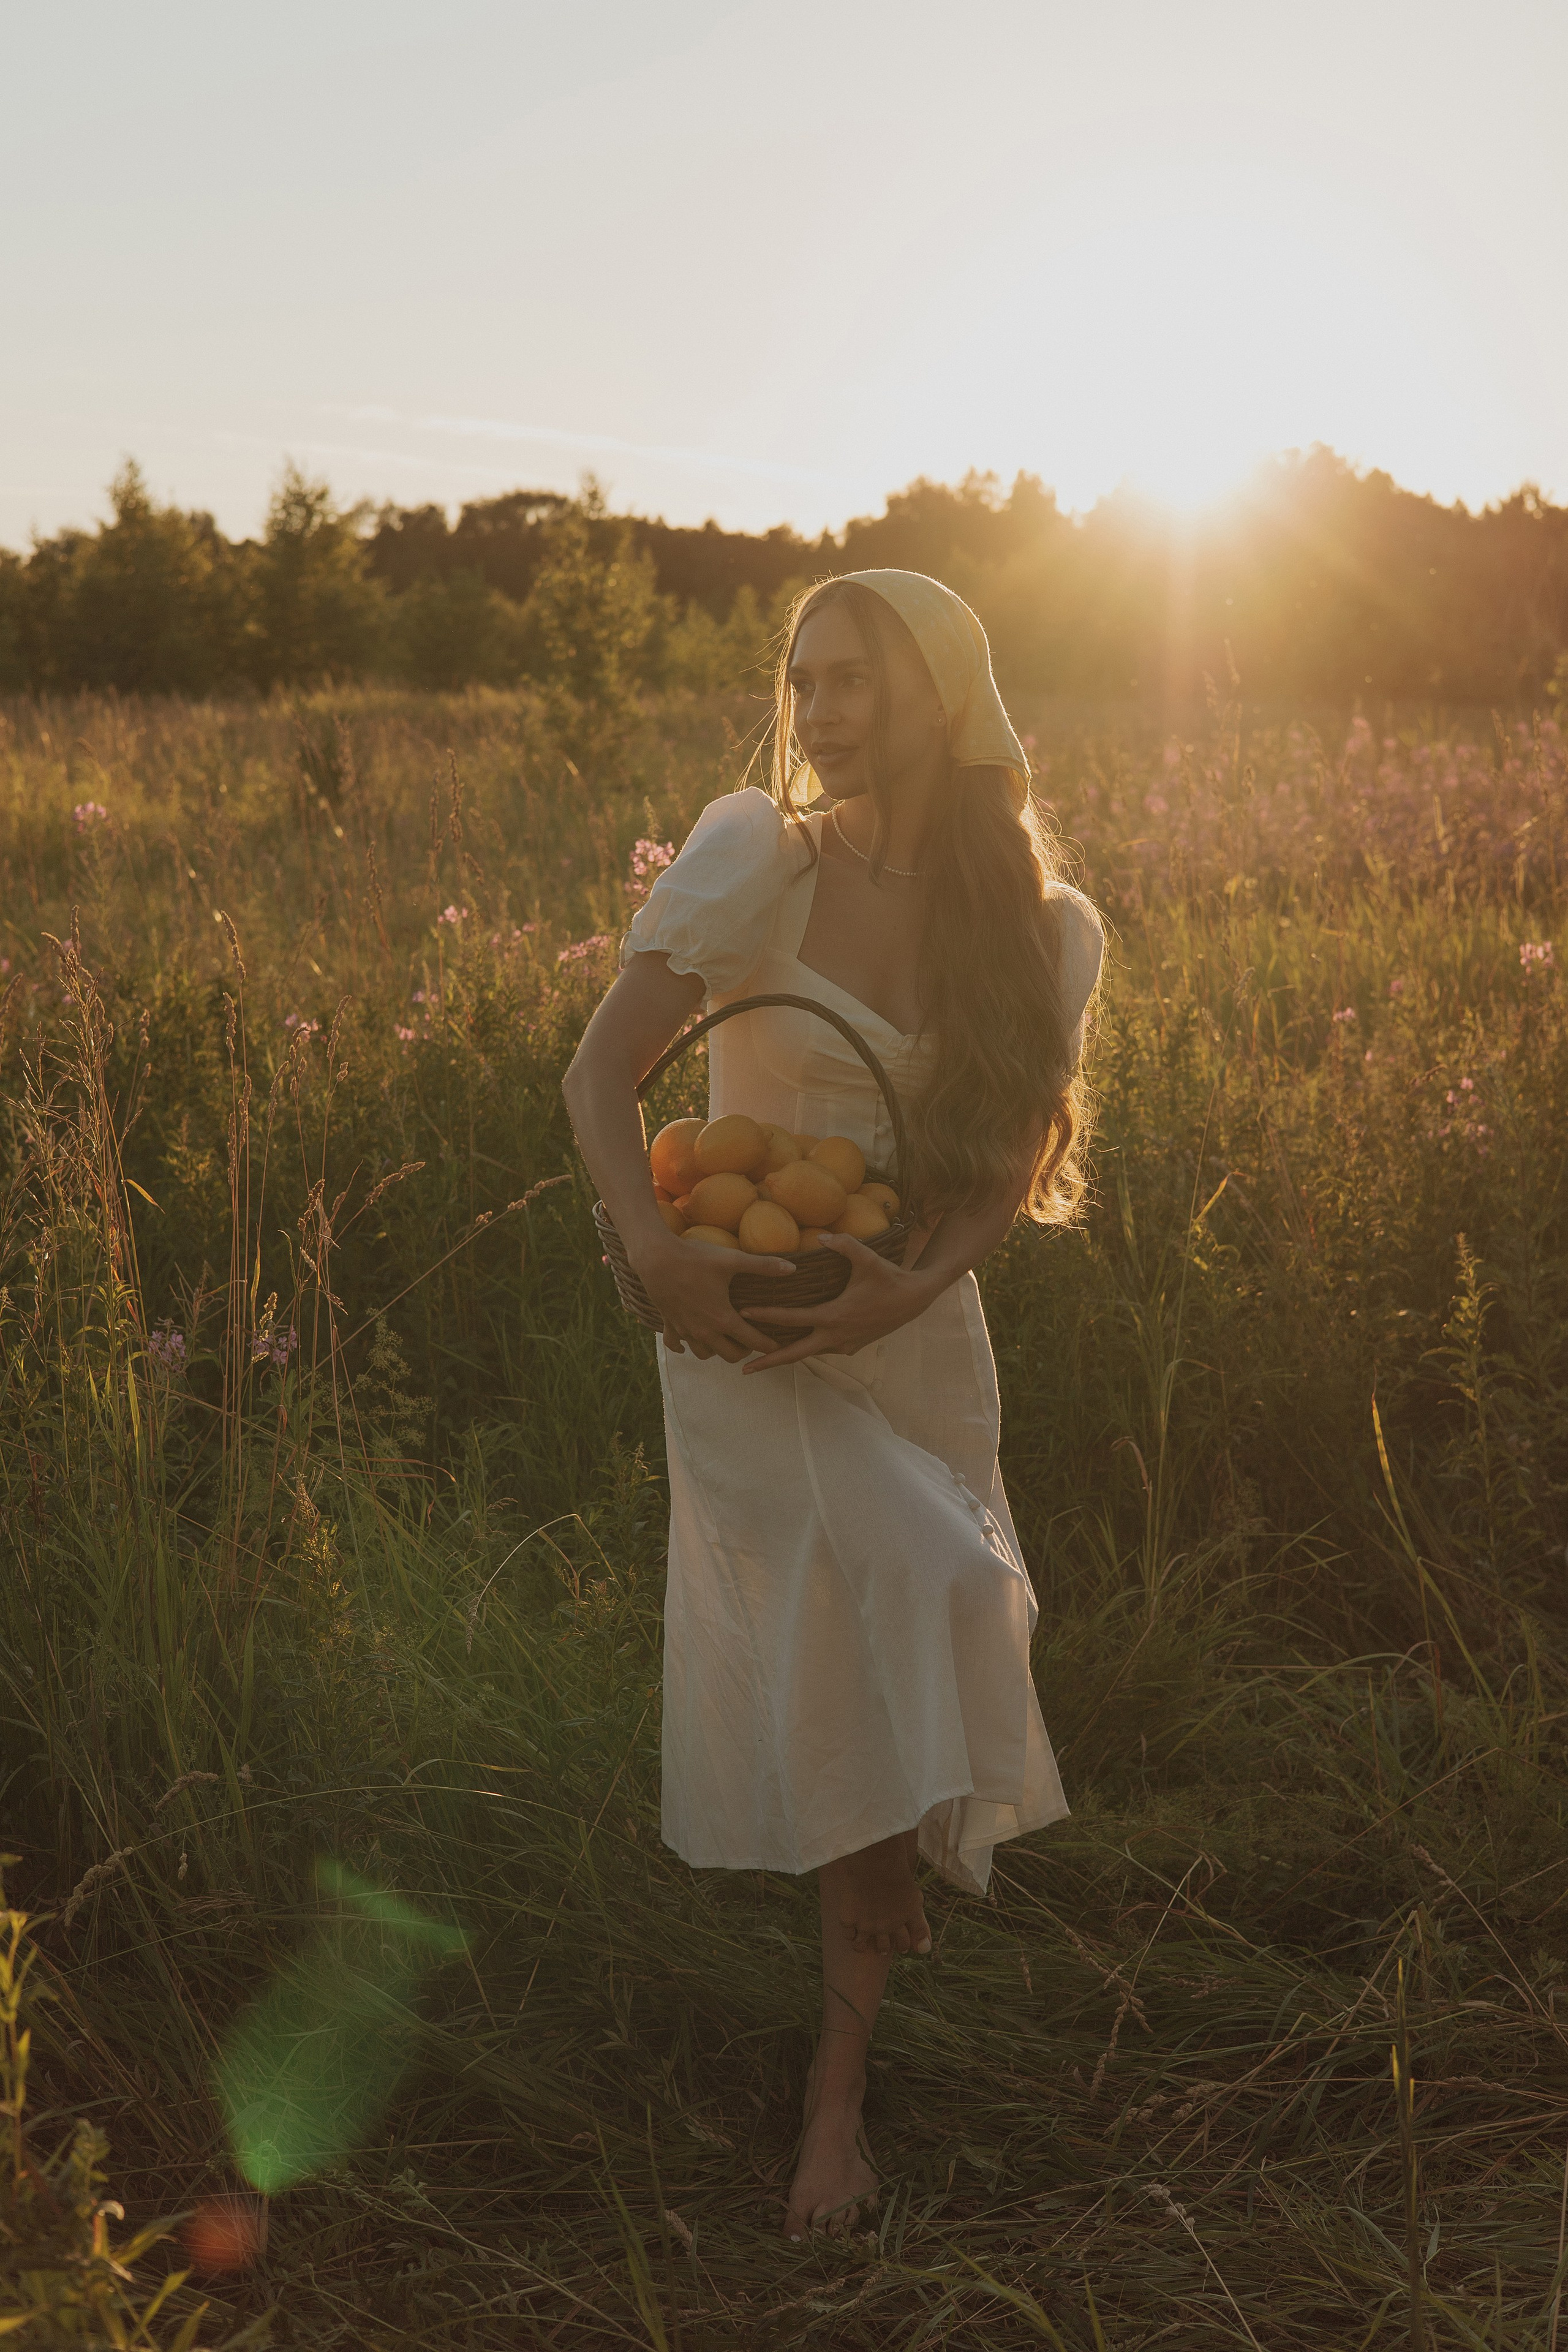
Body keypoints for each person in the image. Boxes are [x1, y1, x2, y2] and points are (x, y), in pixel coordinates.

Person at [563, 570, 1104, 2240]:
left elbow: (1005, 1175)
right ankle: (833, 2105)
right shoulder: (759, 858)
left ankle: (868, 1934)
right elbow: (598, 1076)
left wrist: (913, 1286)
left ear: (944, 697)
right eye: (801, 679)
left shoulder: (1045, 929)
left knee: (876, 1654)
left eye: (854, 678)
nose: (817, 709)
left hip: (906, 1333)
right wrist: (652, 1251)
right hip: (736, 1327)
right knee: (926, 1594)